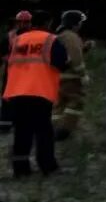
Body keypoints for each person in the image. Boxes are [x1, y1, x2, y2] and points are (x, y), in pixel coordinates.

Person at [3, 10, 68, 177]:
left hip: (17, 91)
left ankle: (20, 169)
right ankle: (47, 166)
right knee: (43, 131)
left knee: (22, 131)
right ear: (48, 23)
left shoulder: (18, 40)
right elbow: (61, 63)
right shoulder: (51, 40)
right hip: (39, 91)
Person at [53, 10, 89, 141]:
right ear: (75, 24)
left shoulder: (59, 35)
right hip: (71, 78)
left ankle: (54, 128)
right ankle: (64, 131)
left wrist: (84, 48)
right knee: (76, 103)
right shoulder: (71, 37)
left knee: (59, 105)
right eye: (80, 22)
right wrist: (83, 75)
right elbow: (75, 58)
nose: (81, 25)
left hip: (58, 77)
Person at [0, 10, 33, 133]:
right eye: (22, 22)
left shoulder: (35, 36)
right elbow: (2, 53)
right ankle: (5, 124)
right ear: (17, 23)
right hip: (14, 72)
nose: (24, 24)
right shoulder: (10, 36)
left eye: (27, 22)